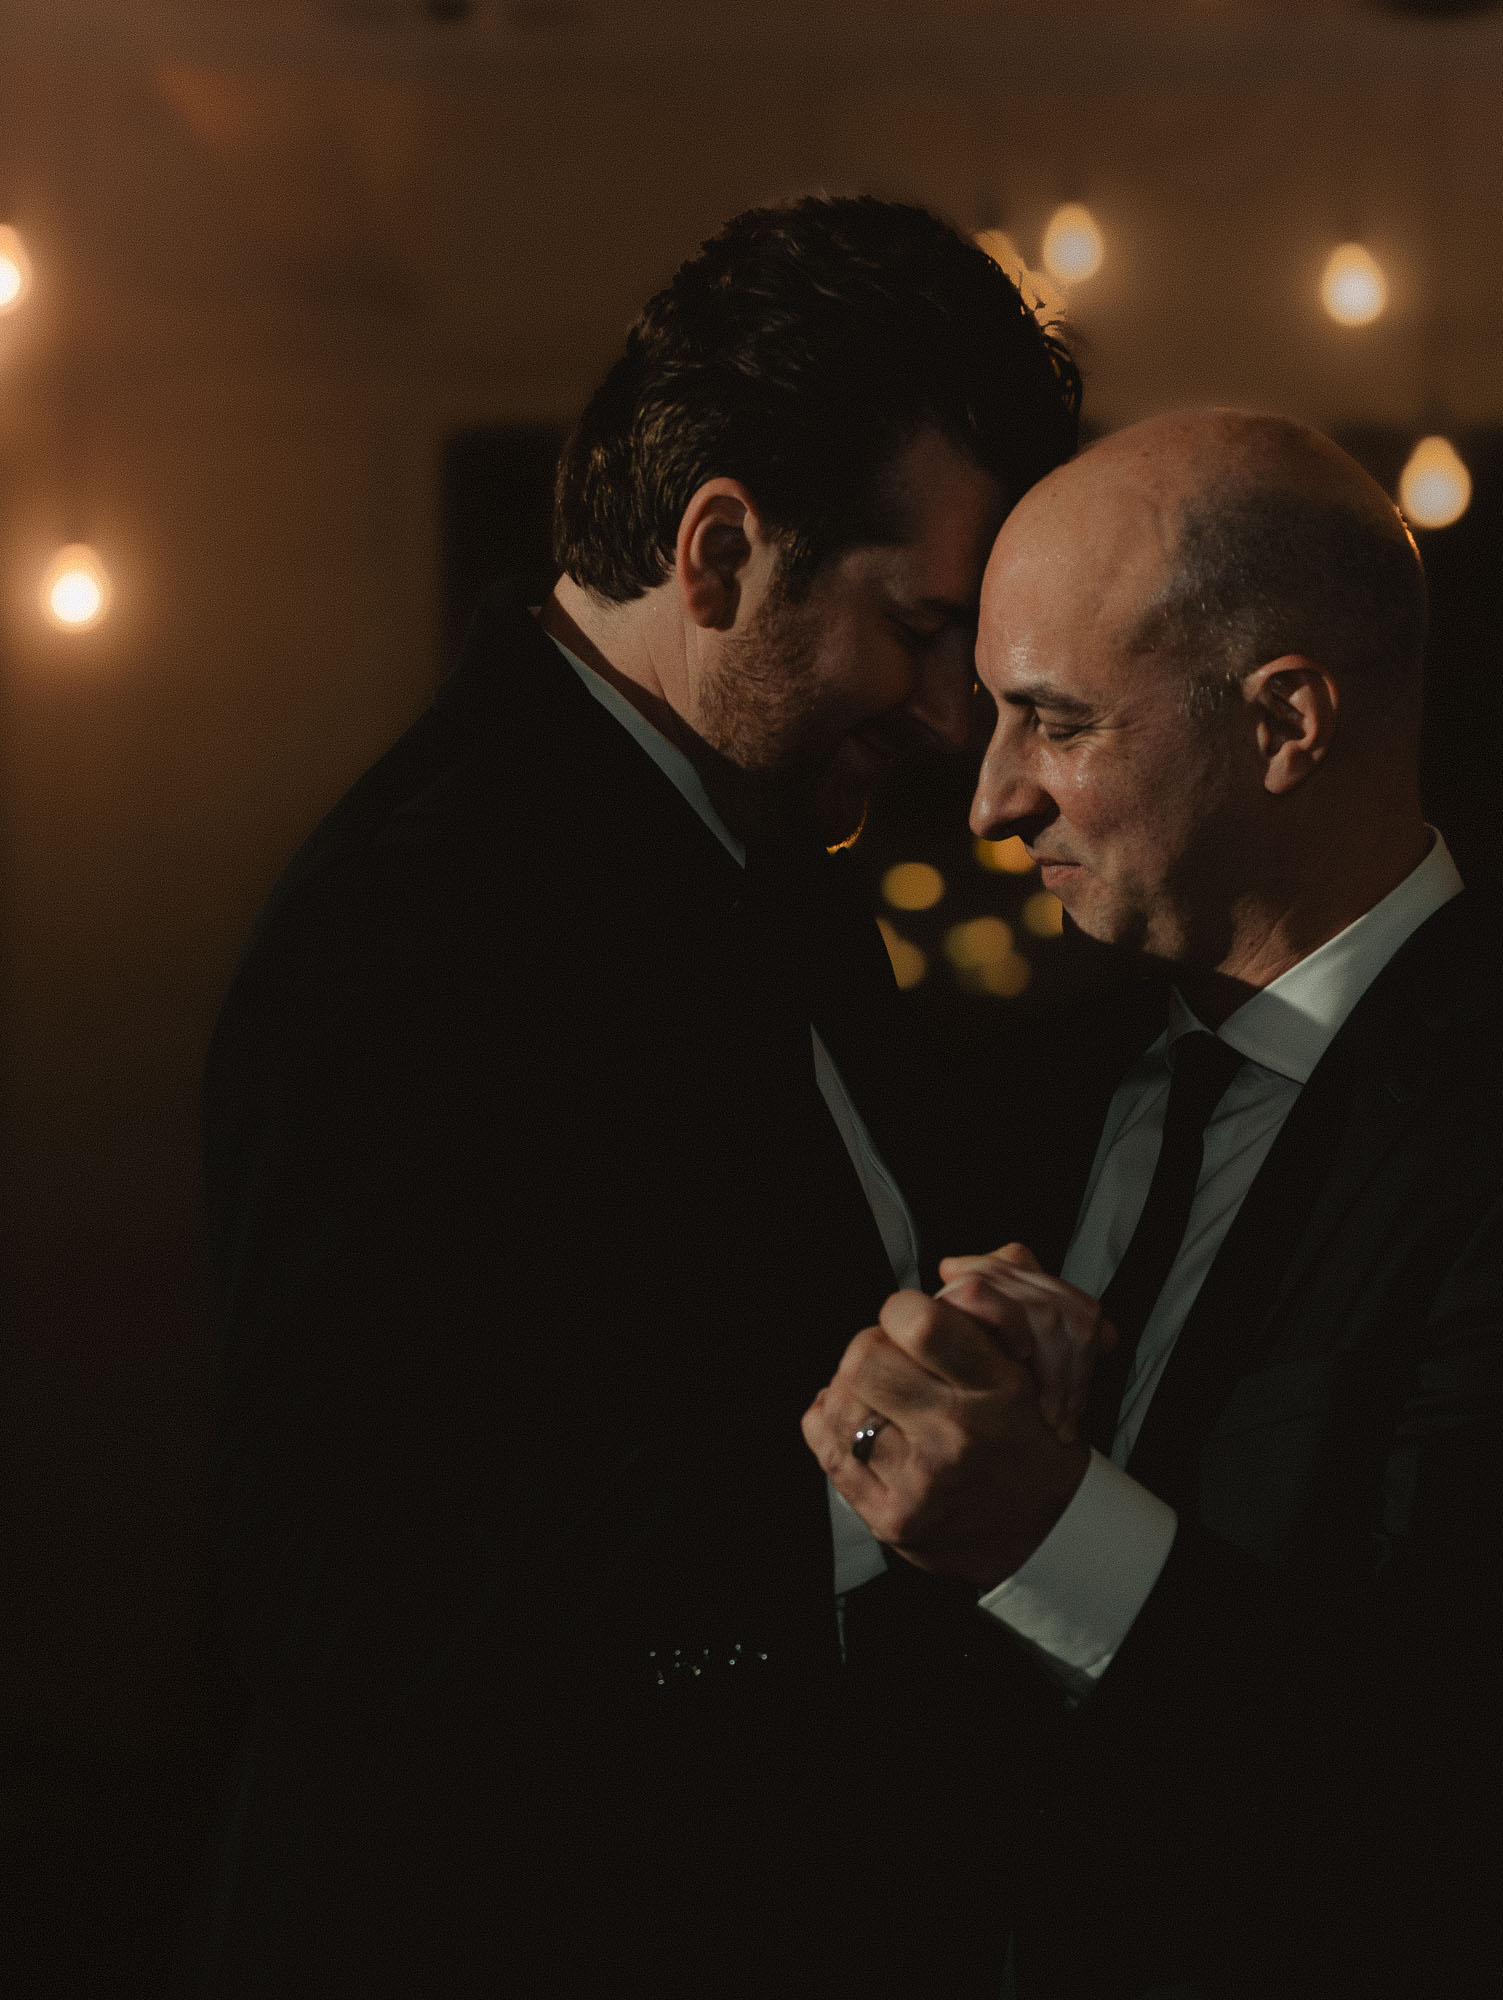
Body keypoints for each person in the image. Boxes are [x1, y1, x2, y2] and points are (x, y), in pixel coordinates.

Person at [198, 195, 1081, 1996]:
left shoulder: (760, 836)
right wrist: (874, 1477)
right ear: (719, 550)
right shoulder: (418, 919)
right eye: (921, 631)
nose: (946, 722)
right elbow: (361, 1588)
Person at [806, 409, 1503, 1996]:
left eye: (1054, 722)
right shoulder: (1020, 1101)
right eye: (990, 716)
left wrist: (1047, 1522)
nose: (989, 800)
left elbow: (1488, 1772)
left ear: (1287, 723)